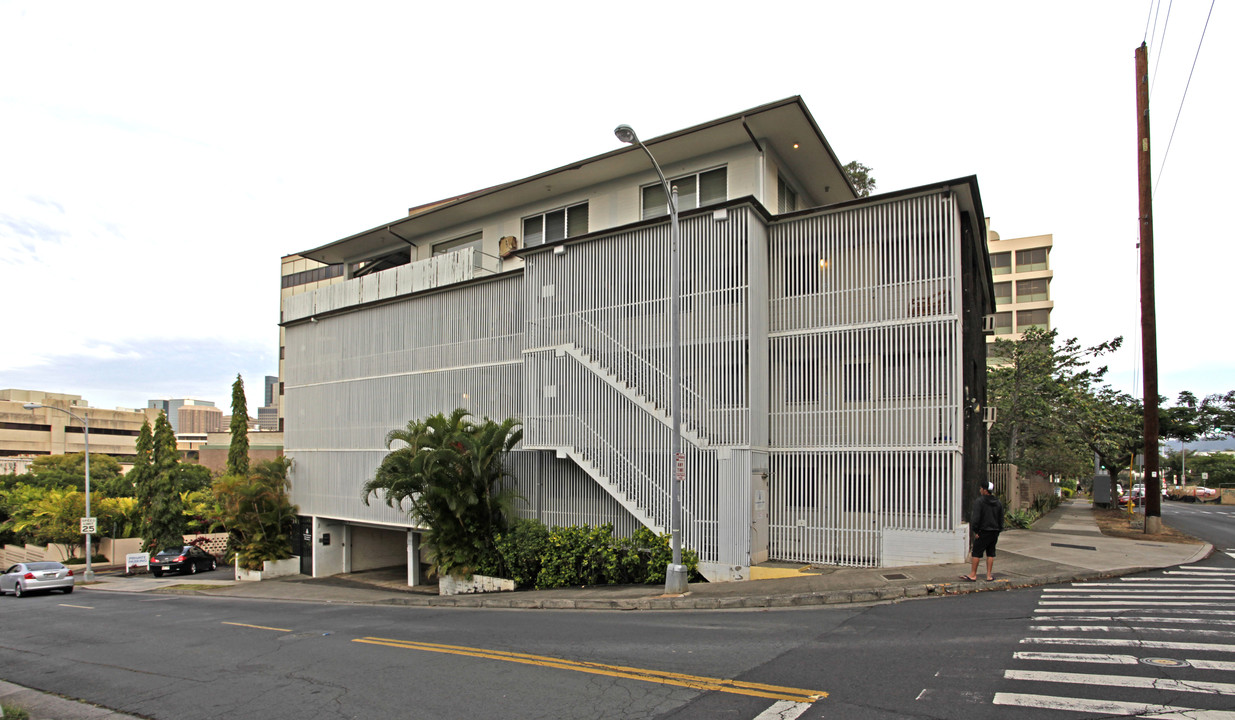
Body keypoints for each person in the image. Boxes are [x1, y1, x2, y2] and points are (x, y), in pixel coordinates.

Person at [962, 481, 1004, 582]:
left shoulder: (979, 501)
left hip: (983, 531)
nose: (980, 490)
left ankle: (973, 574)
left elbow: (976, 518)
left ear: (985, 490)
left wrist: (976, 531)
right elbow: (1001, 518)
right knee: (991, 553)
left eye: (981, 488)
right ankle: (989, 575)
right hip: (994, 531)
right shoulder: (998, 502)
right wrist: (999, 529)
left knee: (976, 552)